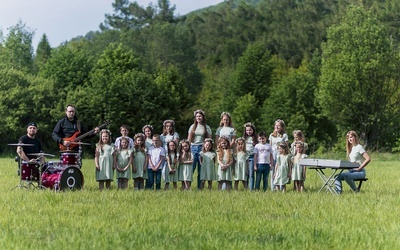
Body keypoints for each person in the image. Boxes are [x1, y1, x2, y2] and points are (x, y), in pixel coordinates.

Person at [187, 109, 212, 190]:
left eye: (200, 116)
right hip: (193, 148)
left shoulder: (207, 127)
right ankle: (188, 187)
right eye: (197, 116)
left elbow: (209, 140)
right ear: (195, 117)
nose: (198, 117)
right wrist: (188, 150)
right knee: (192, 168)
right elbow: (189, 139)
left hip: (202, 148)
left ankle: (200, 188)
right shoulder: (192, 127)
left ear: (203, 117)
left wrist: (207, 150)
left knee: (201, 169)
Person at [269, 119, 288, 190]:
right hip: (273, 155)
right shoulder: (271, 135)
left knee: (280, 171)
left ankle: (281, 187)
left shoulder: (284, 135)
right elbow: (270, 146)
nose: (276, 127)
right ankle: (273, 187)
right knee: (273, 171)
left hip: (281, 155)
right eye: (276, 125)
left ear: (282, 127)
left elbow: (286, 146)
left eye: (278, 126)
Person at [160, 120, 179, 189]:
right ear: (165, 127)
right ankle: (166, 186)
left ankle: (174, 187)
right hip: (165, 154)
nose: (168, 128)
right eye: (167, 126)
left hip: (172, 153)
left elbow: (176, 144)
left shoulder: (175, 134)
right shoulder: (162, 136)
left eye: (170, 126)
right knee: (165, 171)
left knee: (173, 170)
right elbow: (161, 146)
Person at [243, 122, 257, 190]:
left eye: (250, 130)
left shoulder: (255, 139)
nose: (249, 131)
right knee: (246, 173)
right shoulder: (244, 138)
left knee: (251, 173)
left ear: (253, 130)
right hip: (245, 157)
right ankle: (246, 187)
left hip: (252, 157)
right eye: (247, 130)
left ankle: (251, 188)